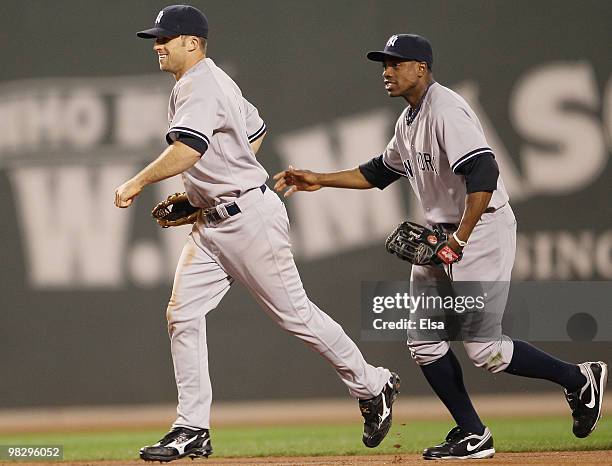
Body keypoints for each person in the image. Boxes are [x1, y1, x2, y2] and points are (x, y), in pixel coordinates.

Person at [274, 34, 607, 460]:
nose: (387, 71)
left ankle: (579, 380)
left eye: (396, 63)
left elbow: (484, 174)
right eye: (384, 64)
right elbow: (378, 171)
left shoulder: (446, 109)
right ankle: (472, 432)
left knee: (484, 347)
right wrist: (320, 178)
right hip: (440, 235)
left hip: (480, 228)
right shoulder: (407, 121)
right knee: (424, 341)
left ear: (422, 68)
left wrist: (461, 238)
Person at [114, 5, 400, 462]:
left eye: (165, 38)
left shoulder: (200, 85)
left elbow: (189, 149)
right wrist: (210, 189)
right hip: (212, 224)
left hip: (249, 221)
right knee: (182, 314)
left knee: (296, 317)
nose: (157, 46)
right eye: (156, 38)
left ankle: (374, 383)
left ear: (192, 42)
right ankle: (192, 428)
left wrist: (137, 182)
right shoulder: (211, 80)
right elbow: (255, 130)